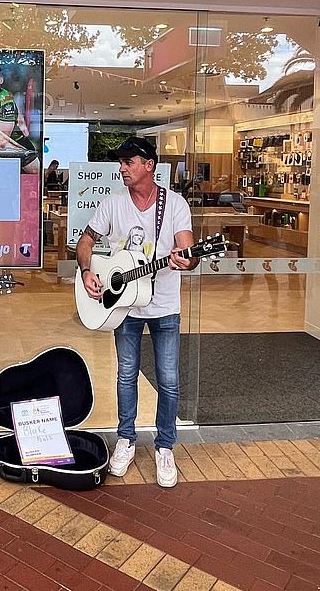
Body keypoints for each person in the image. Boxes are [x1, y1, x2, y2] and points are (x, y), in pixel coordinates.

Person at [75, 137, 197, 488]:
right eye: (121, 162)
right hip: (125, 307)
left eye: (129, 162)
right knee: (126, 375)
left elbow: (187, 249)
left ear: (149, 165)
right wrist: (87, 270)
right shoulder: (112, 204)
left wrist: (186, 259)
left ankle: (164, 445)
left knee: (169, 381)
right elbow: (86, 241)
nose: (122, 168)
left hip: (165, 307)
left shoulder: (174, 204)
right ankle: (125, 439)